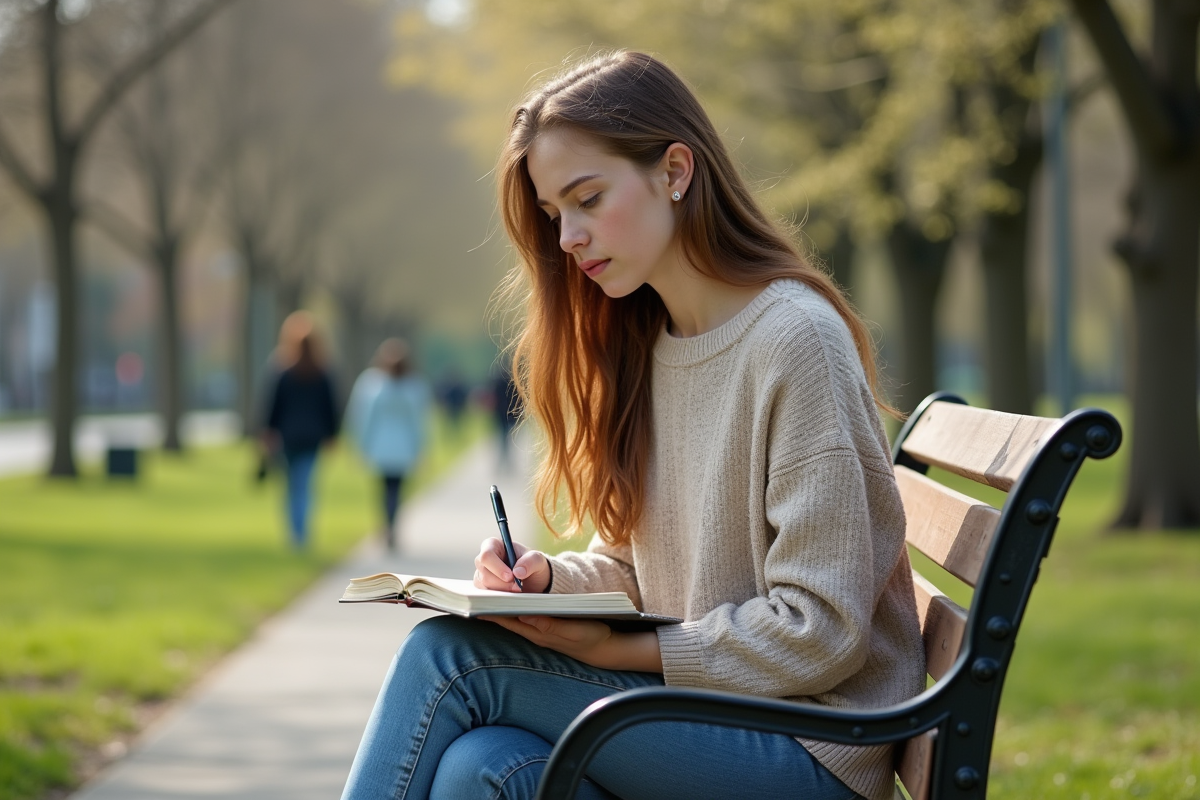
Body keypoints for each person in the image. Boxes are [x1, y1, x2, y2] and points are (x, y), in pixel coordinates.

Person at [341, 51, 924, 800]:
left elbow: (823, 629)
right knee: (480, 767)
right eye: (555, 215)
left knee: (450, 658)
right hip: (711, 721)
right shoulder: (651, 345)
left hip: (810, 749)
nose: (567, 237)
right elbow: (636, 569)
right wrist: (548, 582)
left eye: (587, 199)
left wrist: (627, 650)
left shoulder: (794, 341)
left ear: (675, 171)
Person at [261, 311, 339, 550]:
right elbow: (331, 408)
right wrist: (333, 435)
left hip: (288, 436)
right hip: (312, 437)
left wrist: (267, 432)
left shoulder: (282, 371)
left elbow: (272, 406)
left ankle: (295, 533)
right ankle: (301, 532)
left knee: (291, 487)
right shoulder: (322, 372)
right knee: (304, 485)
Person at [346, 338, 432, 551]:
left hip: (380, 447)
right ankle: (392, 526)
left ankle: (387, 526)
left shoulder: (372, 384)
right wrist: (421, 448)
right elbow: (419, 422)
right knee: (396, 490)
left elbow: (363, 418)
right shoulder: (414, 386)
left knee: (384, 490)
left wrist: (361, 444)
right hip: (403, 449)